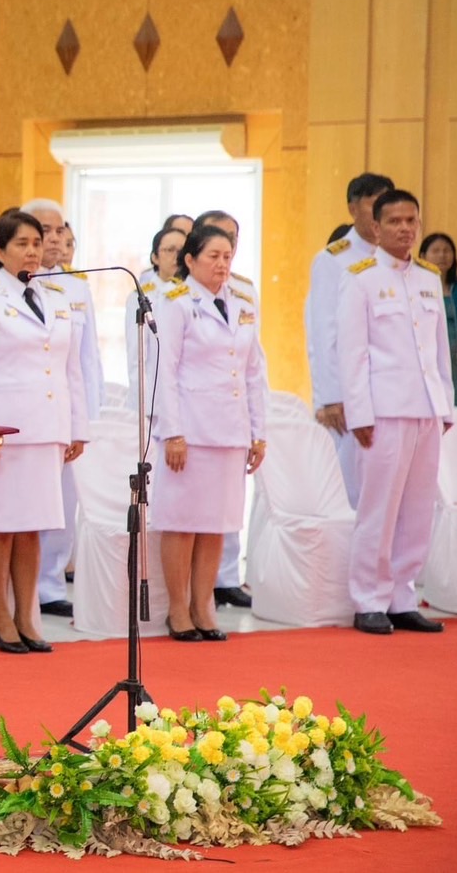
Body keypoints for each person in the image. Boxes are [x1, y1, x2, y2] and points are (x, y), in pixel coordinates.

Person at [0, 210, 87, 655]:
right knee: (2, 527)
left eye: (37, 242)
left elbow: (71, 368)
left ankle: (26, 616)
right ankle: (0, 616)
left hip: (47, 429)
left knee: (33, 528)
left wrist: (77, 427)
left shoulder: (54, 294)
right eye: (22, 243)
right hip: (5, 433)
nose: (33, 250)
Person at [339, 189, 453, 636]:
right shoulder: (361, 278)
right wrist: (359, 414)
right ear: (376, 228)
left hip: (426, 409)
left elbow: (439, 348)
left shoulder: (427, 277)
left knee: (418, 507)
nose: (405, 228)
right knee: (379, 507)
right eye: (396, 221)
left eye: (412, 221)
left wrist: (443, 403)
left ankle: (403, 595)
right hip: (383, 411)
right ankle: (368, 598)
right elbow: (353, 354)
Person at [153, 224, 268, 641]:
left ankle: (205, 605)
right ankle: (179, 609)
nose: (222, 265)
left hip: (230, 429)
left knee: (217, 523)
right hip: (191, 429)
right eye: (212, 257)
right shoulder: (177, 302)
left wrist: (259, 431)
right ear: (190, 260)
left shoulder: (241, 302)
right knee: (182, 523)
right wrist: (173, 432)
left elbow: (254, 372)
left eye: (227, 256)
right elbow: (164, 372)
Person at [22, 199, 100, 622]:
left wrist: (85, 420)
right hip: (23, 419)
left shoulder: (75, 287)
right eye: (43, 232)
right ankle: (23, 589)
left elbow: (87, 362)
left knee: (62, 506)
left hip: (63, 416)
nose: (53, 240)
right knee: (25, 510)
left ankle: (50, 584)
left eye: (58, 231)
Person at [306, 172, 395, 507]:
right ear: (353, 207)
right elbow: (323, 332)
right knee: (353, 498)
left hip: (390, 395)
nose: (379, 213)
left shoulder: (393, 258)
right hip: (348, 400)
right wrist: (329, 398)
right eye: (373, 203)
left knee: (388, 496)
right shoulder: (333, 259)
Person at [125, 226, 188, 410]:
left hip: (190, 401)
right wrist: (144, 405)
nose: (176, 256)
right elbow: (137, 359)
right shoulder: (143, 297)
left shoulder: (194, 294)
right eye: (169, 250)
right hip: (155, 400)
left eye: (181, 251)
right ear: (154, 257)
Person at [419, 233, 457, 411]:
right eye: (436, 250)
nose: (442, 255)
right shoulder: (416, 287)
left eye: (447, 251)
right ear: (423, 256)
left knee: (455, 410)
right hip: (425, 363)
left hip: (456, 362)